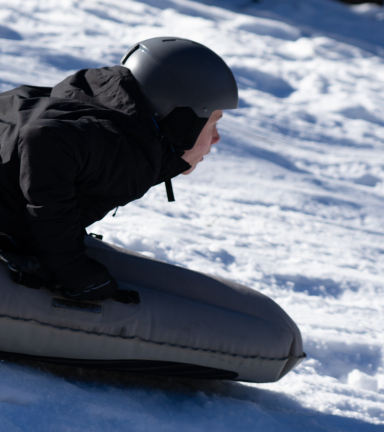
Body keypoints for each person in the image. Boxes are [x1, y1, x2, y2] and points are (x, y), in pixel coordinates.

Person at [0, 37, 238, 301]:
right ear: (185, 122)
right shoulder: (127, 151)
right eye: (213, 123)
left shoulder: (99, 111)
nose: (216, 139)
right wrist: (68, 265)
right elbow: (44, 140)